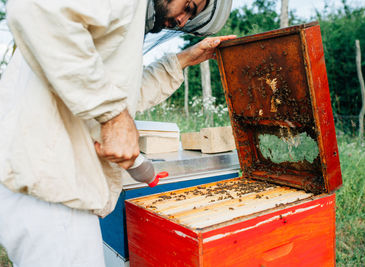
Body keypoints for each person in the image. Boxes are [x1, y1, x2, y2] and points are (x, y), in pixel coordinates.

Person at [0, 0, 235, 266]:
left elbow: (122, 96)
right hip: (52, 186)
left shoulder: (120, 23)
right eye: (189, 6)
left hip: (45, 179)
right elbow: (35, 8)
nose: (182, 20)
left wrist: (183, 60)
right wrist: (112, 115)